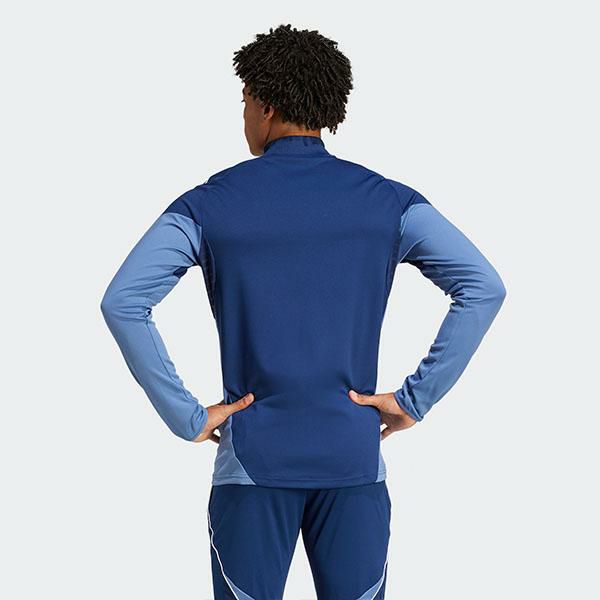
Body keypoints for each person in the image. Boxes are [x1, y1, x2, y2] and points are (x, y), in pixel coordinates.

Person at [100, 23, 506, 600]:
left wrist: (186, 416)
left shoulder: (207, 205)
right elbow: (482, 287)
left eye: (244, 101)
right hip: (353, 459)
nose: (244, 116)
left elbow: (123, 301)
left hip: (253, 462)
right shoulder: (388, 201)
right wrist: (415, 399)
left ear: (265, 107)